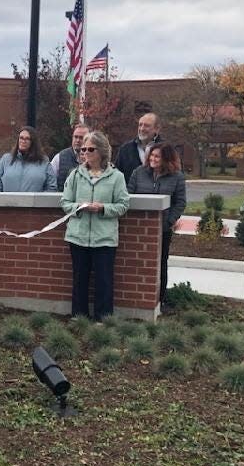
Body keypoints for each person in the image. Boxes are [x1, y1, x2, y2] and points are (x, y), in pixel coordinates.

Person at [61, 131, 130, 321]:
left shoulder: (116, 177)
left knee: (104, 281)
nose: (85, 153)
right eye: (83, 149)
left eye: (90, 149)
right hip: (78, 236)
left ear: (101, 151)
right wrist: (80, 207)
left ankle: (103, 319)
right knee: (79, 280)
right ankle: (79, 317)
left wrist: (103, 209)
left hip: (104, 238)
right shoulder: (75, 175)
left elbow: (123, 205)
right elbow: (65, 202)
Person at [128, 142, 187, 303]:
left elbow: (180, 202)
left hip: (163, 229)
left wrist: (168, 222)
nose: (153, 159)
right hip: (139, 228)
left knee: (160, 262)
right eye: (152, 155)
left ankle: (160, 298)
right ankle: (137, 295)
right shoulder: (139, 173)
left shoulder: (177, 177)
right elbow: (129, 195)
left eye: (157, 156)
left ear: (167, 159)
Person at [0, 126, 57, 192]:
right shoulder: (6, 159)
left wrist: (40, 201)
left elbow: (51, 187)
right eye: (21, 138)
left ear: (33, 142)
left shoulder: (43, 161)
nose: (23, 141)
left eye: (27, 139)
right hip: (8, 202)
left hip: (33, 202)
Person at [114, 112, 161, 183]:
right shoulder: (125, 150)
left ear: (156, 129)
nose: (142, 129)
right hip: (131, 193)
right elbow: (117, 176)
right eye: (140, 125)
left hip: (159, 193)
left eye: (147, 126)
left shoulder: (166, 149)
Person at [51, 123, 90, 190]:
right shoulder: (60, 157)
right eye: (75, 137)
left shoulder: (94, 158)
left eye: (81, 138)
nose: (77, 140)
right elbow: (51, 182)